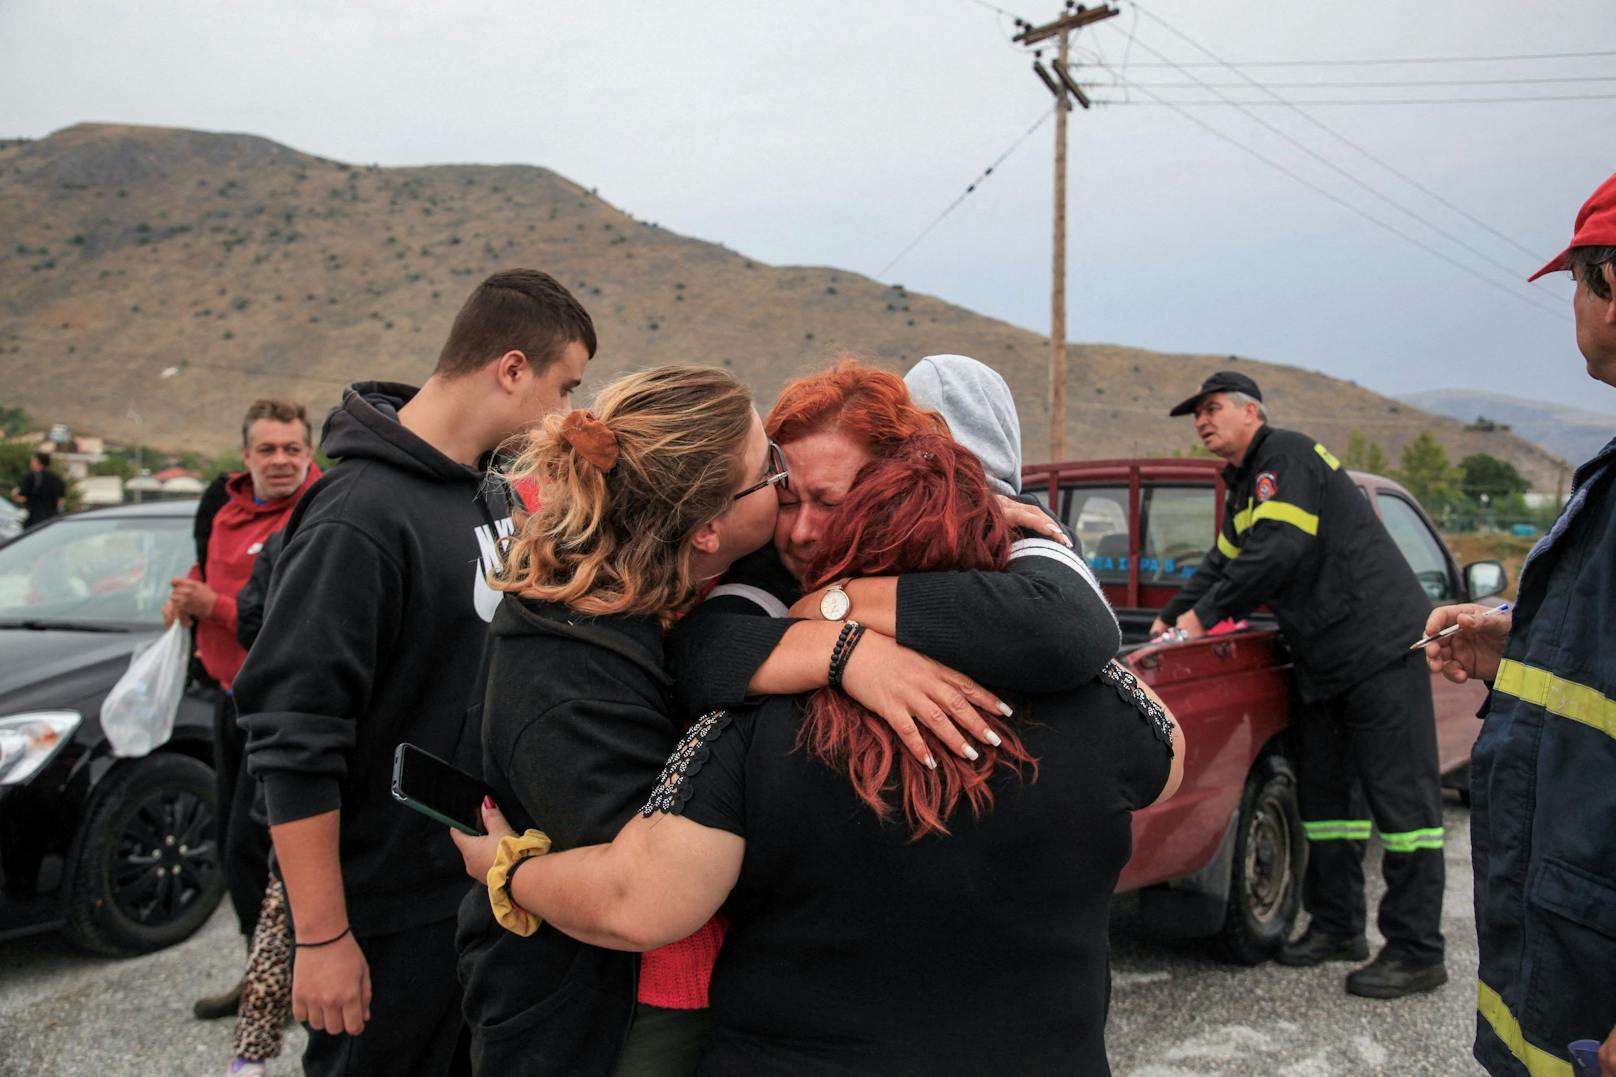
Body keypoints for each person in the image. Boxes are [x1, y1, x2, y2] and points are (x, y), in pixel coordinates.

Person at [454, 433, 1184, 1076]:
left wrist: (507, 869)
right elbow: (1169, 756)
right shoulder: (1093, 699)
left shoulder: (751, 716)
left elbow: (641, 900)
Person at [232, 268, 595, 1076]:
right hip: (387, 917)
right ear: (510, 369)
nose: (564, 415)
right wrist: (322, 936)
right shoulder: (358, 516)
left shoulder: (493, 499)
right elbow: (294, 741)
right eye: (563, 388)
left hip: (476, 894)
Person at [455, 364, 803, 1076]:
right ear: (706, 529)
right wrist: (510, 873)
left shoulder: (664, 582)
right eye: (767, 463)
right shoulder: (565, 663)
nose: (785, 478)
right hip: (607, 1024)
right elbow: (634, 895)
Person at [1148, 370, 1446, 997]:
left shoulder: (1287, 455)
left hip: (1380, 650)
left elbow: (1279, 548)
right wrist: (1172, 617)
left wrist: (1201, 618)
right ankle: (1338, 926)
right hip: (1323, 660)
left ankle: (1418, 950)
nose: (1202, 421)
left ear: (1251, 412)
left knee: (1404, 811)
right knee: (1327, 804)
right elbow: (1223, 561)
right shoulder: (1246, 489)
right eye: (1196, 413)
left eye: (1212, 408)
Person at [670, 358, 1119, 766]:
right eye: (786, 501)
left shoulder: (1020, 526)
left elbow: (1064, 628)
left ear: (892, 491)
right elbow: (698, 652)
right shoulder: (773, 555)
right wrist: (848, 654)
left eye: (831, 503)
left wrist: (840, 601)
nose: (802, 531)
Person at [1423, 172, 1616, 1077]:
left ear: (1611, 286)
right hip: (1561, 971)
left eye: (1578, 279)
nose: (1574, 304)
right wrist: (1520, 644)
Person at [166, 399, 321, 1023]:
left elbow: (290, 620)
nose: (280, 461)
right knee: (238, 853)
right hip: (228, 700)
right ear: (246, 455)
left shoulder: (321, 512)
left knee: (276, 852)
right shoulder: (222, 507)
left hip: (285, 711)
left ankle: (291, 977)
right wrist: (184, 599)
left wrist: (217, 606)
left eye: (292, 449)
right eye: (268, 449)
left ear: (310, 453)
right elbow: (208, 572)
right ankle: (260, 973)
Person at [11, 452, 66, 528]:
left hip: (34, 521)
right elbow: (60, 501)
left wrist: (14, 493)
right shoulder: (57, 479)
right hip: (52, 521)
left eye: (32, 461)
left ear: (37, 462)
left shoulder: (31, 477)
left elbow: (22, 498)